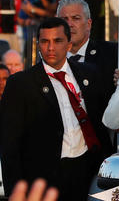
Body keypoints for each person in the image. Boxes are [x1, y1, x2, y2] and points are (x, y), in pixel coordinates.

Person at [0, 17, 112, 200]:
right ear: (38, 45)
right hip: (44, 180)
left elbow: (104, 118)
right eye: (45, 41)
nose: (50, 47)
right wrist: (16, 191)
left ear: (69, 44)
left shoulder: (90, 74)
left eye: (57, 41)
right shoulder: (20, 84)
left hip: (89, 172)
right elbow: (10, 145)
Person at [56, 0, 119, 89]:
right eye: (64, 19)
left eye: (76, 18)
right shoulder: (51, 58)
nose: (69, 24)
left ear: (88, 24)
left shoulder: (112, 53)